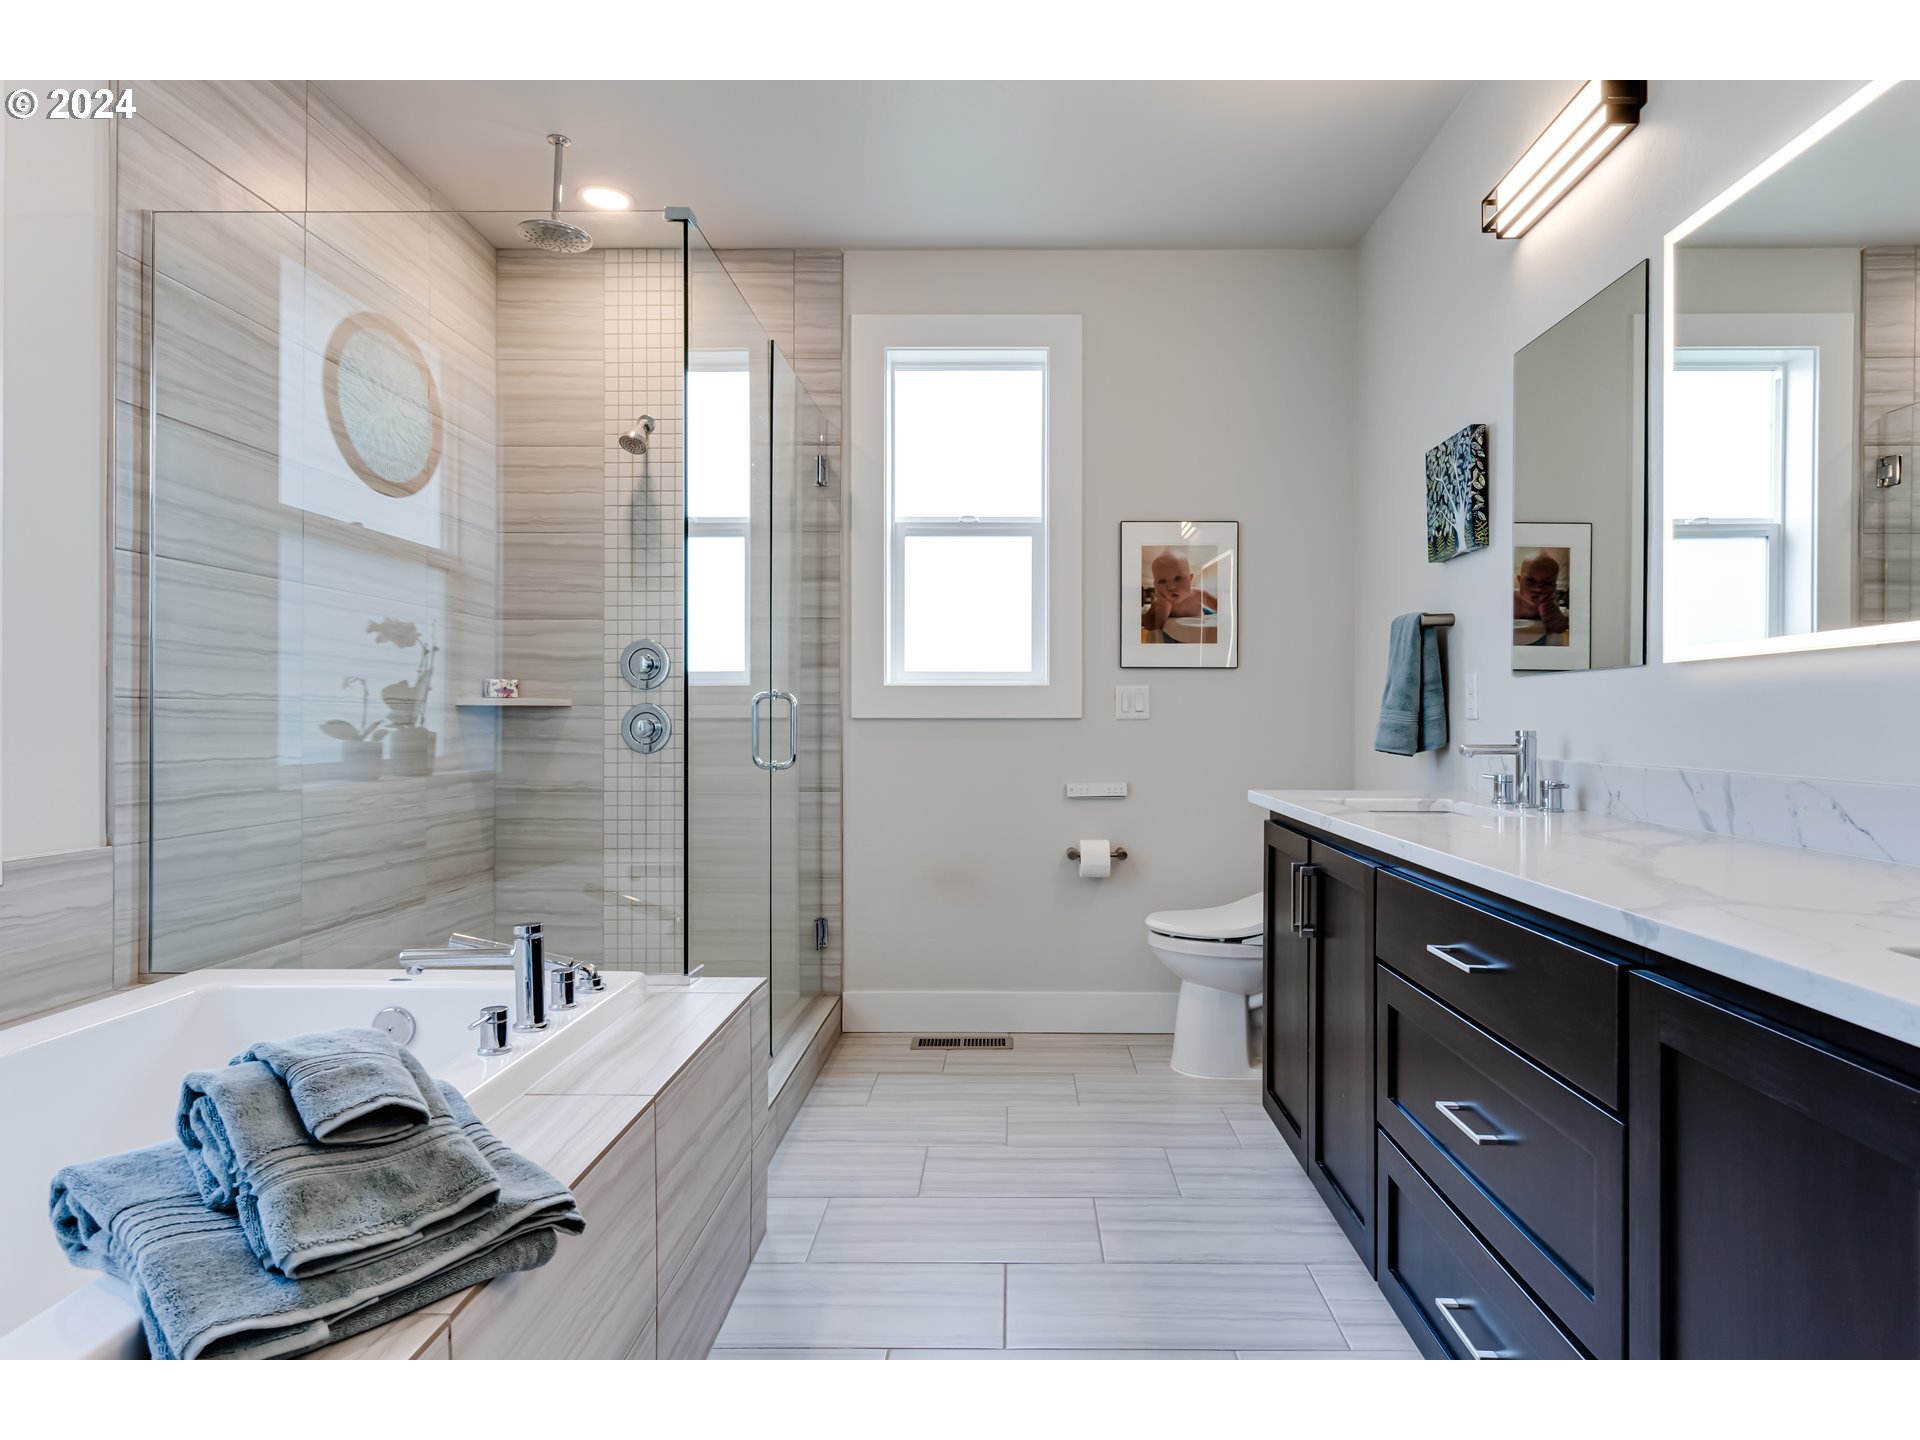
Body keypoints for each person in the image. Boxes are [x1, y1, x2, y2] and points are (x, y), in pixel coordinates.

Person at [1141, 549, 1218, 639]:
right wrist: (1164, 608)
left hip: (1202, 616)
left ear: (1190, 579)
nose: (1171, 587)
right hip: (1180, 633)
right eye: (1162, 581)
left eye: (1178, 578)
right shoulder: (1159, 602)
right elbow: (1149, 625)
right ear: (1155, 585)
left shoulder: (1198, 594)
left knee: (1211, 613)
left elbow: (1219, 605)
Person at [1513, 551, 1569, 642]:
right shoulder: (1511, 600)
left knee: (1555, 638)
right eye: (1531, 581)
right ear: (1519, 581)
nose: (1538, 589)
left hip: (1537, 642)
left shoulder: (1549, 605)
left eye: (1547, 583)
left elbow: (1560, 628)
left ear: (1554, 587)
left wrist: (1551, 615)